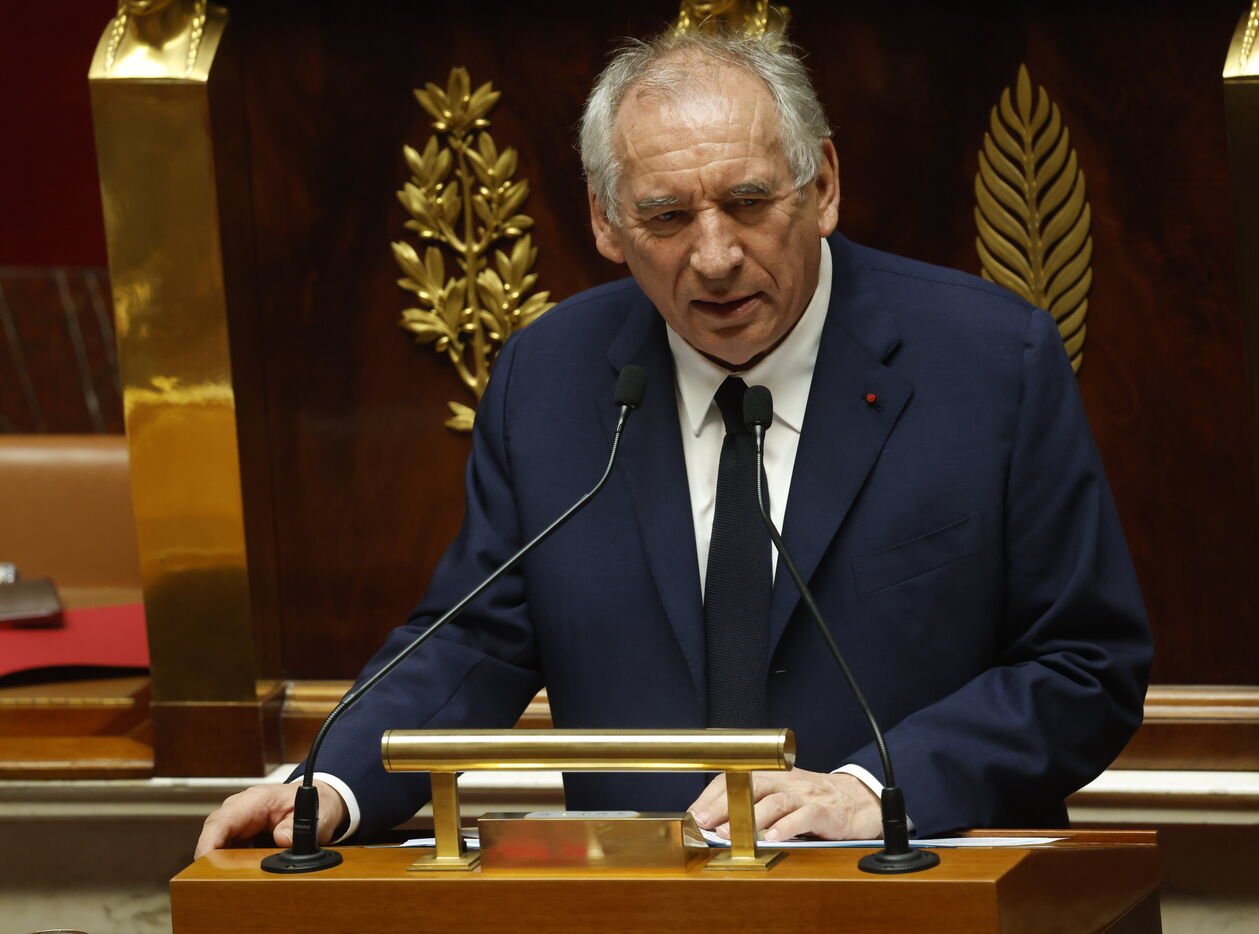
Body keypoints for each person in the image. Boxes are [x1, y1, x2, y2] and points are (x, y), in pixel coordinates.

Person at [196, 29, 1151, 859]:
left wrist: (873, 788)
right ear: (607, 224)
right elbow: (476, 636)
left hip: (911, 887)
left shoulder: (988, 362)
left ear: (822, 187)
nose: (715, 255)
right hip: (639, 898)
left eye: (747, 202)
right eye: (665, 217)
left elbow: (1083, 668)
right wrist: (334, 783)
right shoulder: (553, 379)